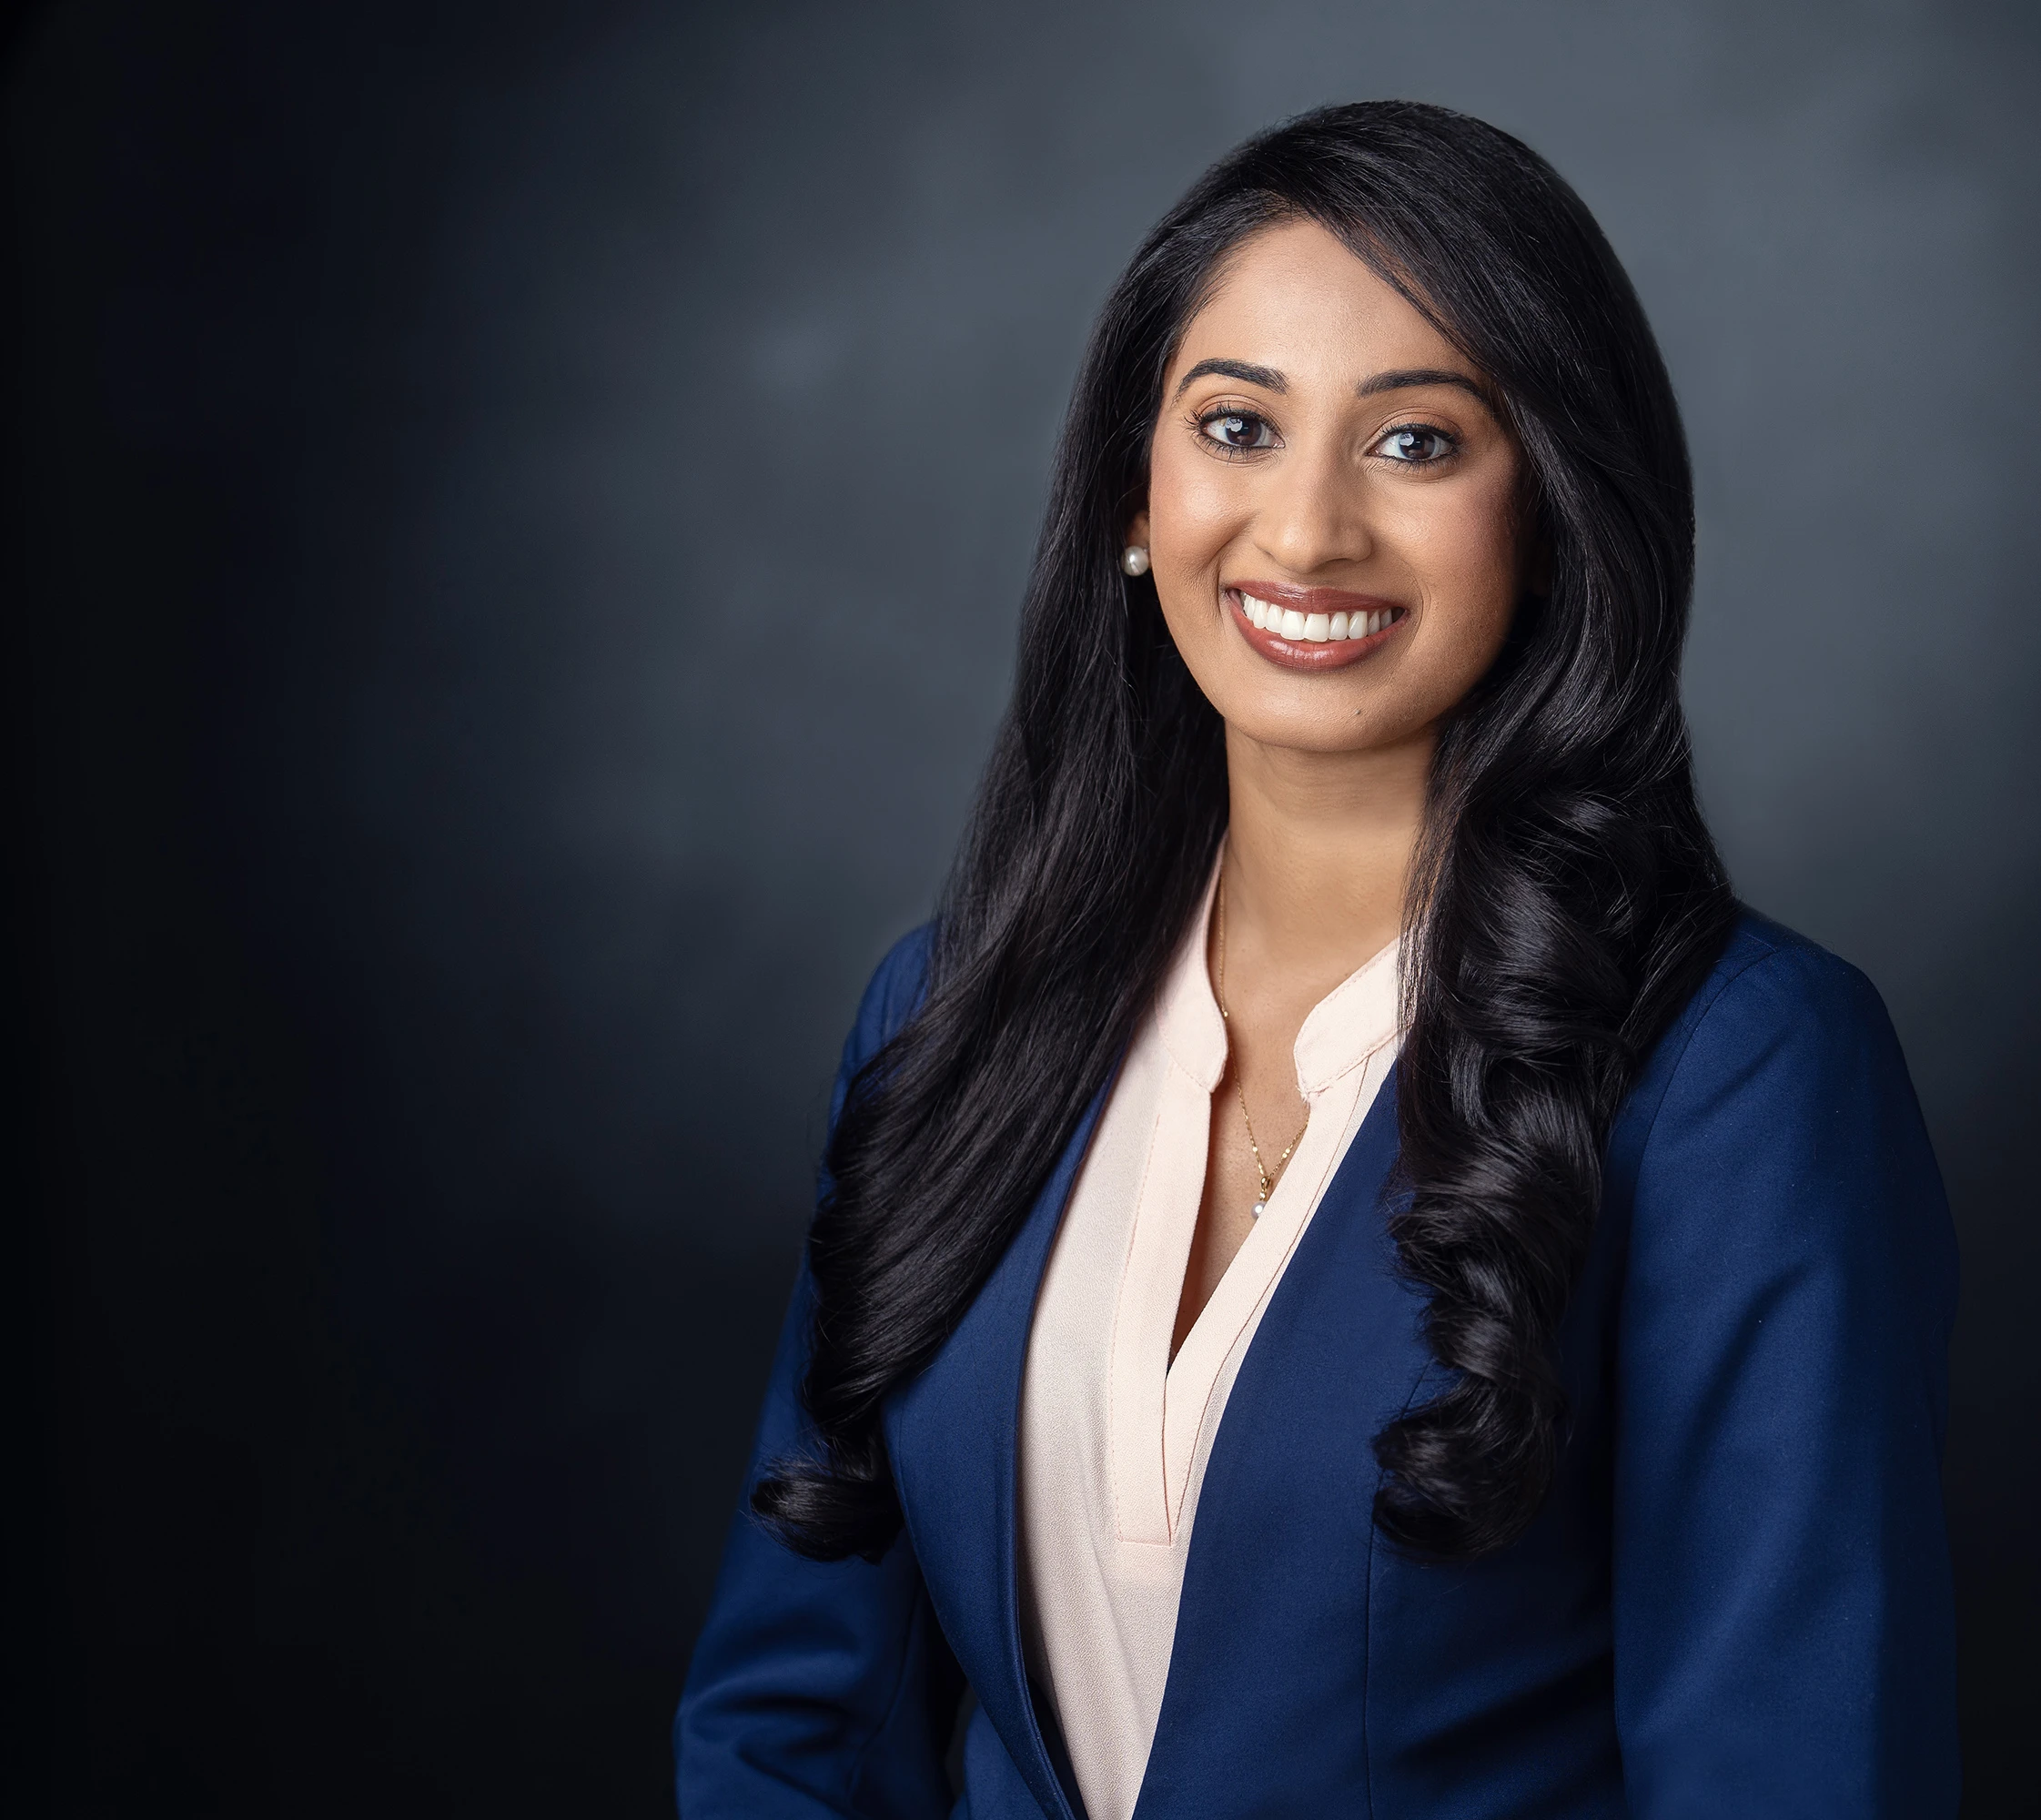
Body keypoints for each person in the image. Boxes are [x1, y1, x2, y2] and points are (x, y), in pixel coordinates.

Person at [675, 100, 1958, 1819]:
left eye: (1416, 444)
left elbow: (1791, 1775)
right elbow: (789, 1717)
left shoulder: (1736, 1074)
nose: (1304, 533)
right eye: (1236, 427)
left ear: (1556, 510)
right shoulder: (944, 1018)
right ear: (1137, 495)